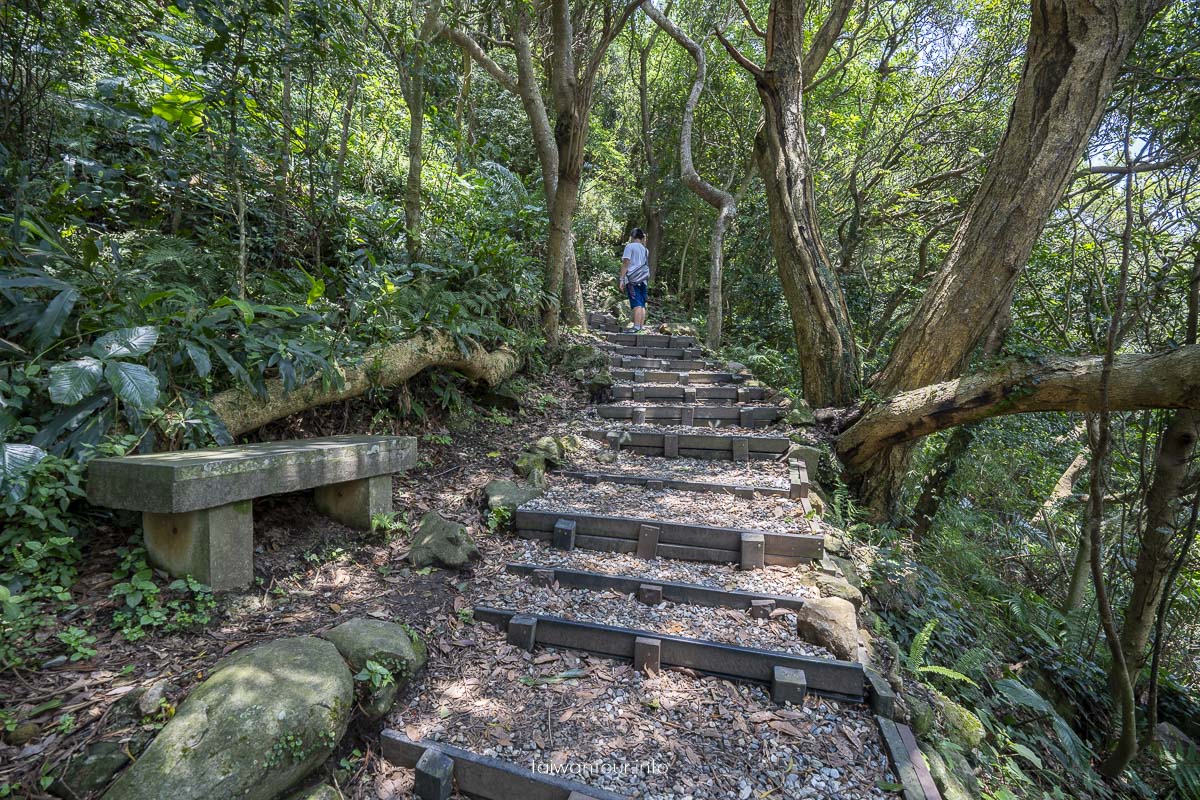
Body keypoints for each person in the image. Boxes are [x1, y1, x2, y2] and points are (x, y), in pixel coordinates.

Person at [618, 227, 650, 332]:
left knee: (636, 303)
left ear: (632, 236)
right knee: (642, 303)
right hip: (643, 280)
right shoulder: (646, 250)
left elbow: (626, 263)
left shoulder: (630, 247)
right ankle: (640, 327)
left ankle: (635, 327)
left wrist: (621, 279)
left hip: (632, 280)